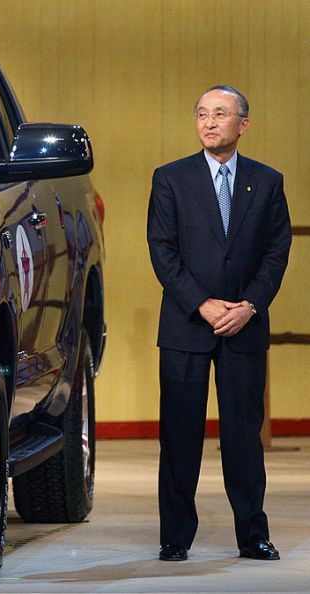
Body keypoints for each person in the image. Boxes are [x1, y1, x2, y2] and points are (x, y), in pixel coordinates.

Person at [147, 85, 292, 562]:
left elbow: (276, 252)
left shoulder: (267, 182)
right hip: (187, 326)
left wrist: (249, 305)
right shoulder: (171, 178)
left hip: (244, 326)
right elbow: (162, 251)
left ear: (242, 124)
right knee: (180, 435)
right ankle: (175, 538)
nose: (209, 123)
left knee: (243, 437)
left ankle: (253, 535)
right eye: (202, 114)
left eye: (221, 114)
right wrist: (202, 304)